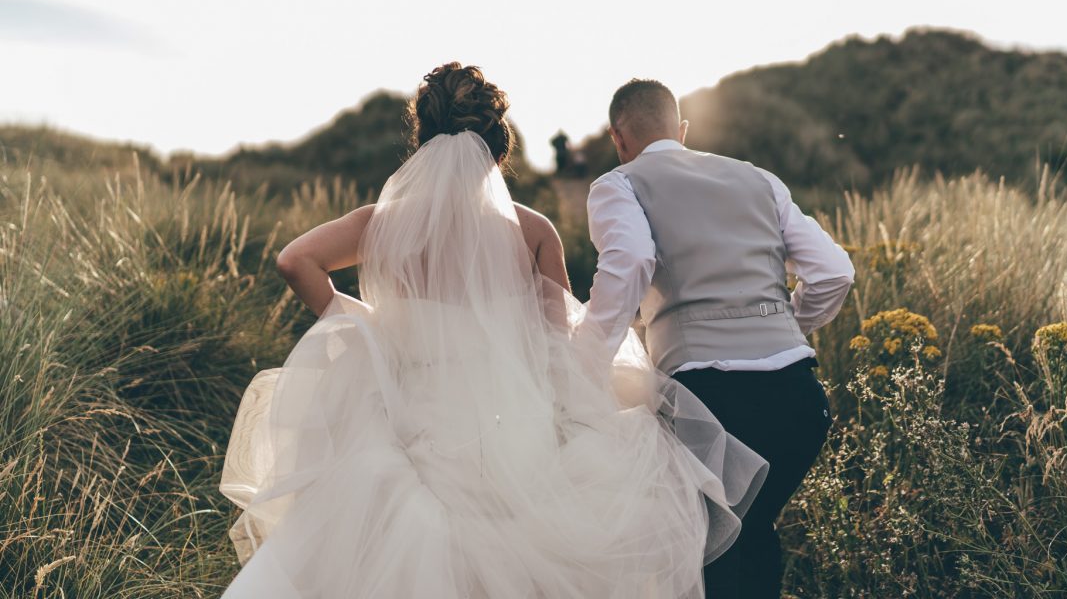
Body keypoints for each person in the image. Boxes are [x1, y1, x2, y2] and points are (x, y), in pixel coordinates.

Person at [217, 63, 768, 599]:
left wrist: (367, 325)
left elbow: (295, 261)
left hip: (413, 424)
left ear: (423, 141)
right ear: (497, 149)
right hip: (515, 429)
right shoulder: (532, 230)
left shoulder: (381, 222)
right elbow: (557, 349)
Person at [586, 78, 856, 599]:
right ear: (681, 130)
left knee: (709, 547)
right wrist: (783, 325)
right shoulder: (759, 179)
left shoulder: (619, 184)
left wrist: (585, 364)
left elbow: (632, 260)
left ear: (618, 136)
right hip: (800, 402)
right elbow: (833, 272)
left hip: (712, 405)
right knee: (752, 533)